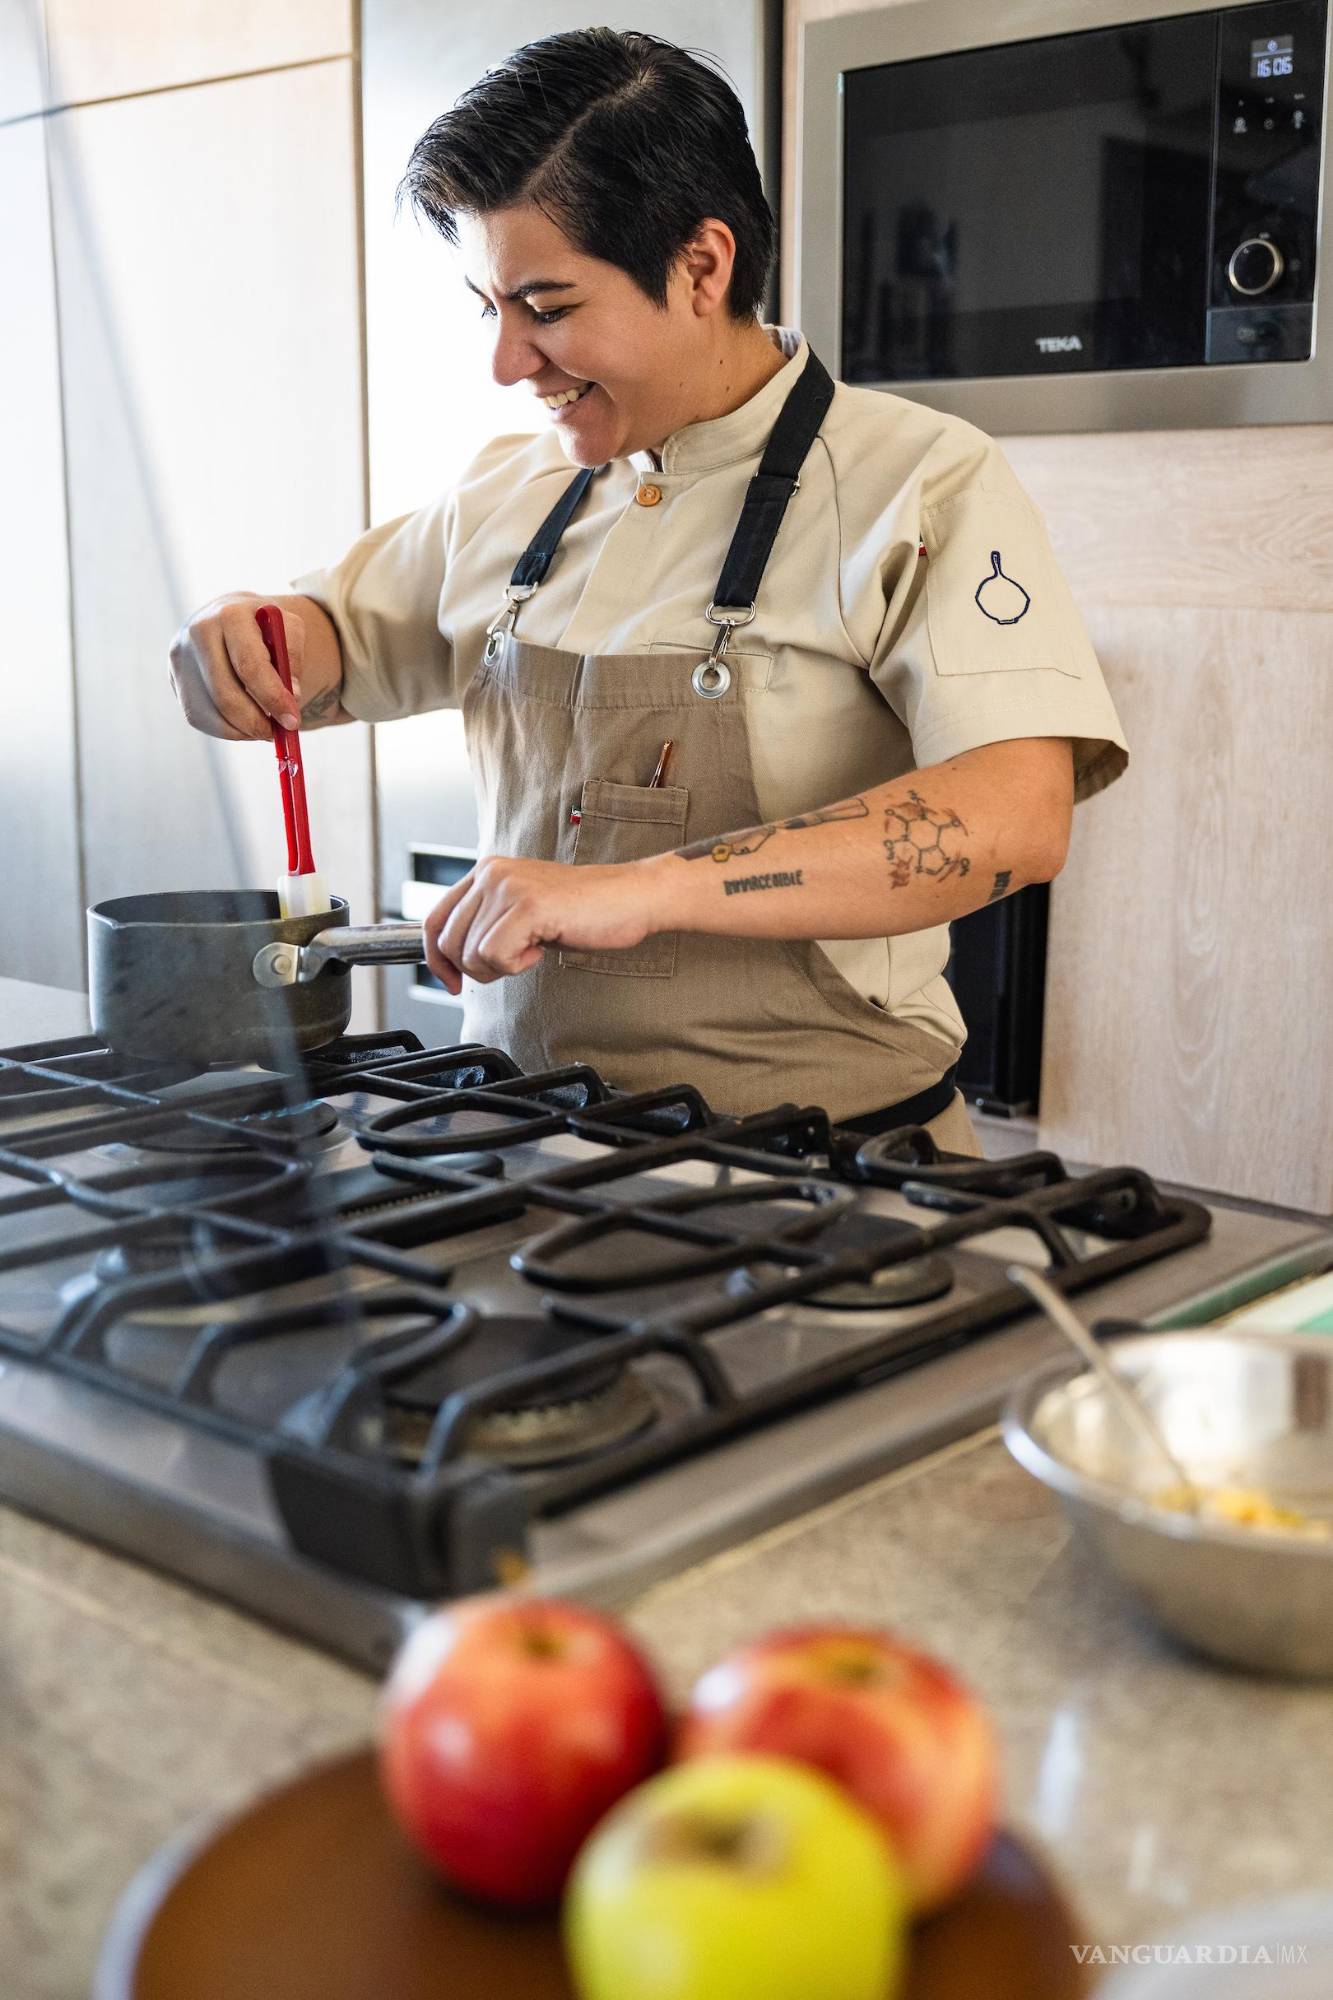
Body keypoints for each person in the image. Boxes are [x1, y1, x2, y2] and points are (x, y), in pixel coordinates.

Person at [169, 28, 1127, 1155]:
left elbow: (1015, 815)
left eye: (548, 305)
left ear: (702, 265)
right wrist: (244, 643)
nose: (506, 361)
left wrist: (648, 887)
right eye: (491, 308)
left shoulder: (922, 480)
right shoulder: (513, 486)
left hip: (830, 1178)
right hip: (528, 1161)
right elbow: (328, 643)